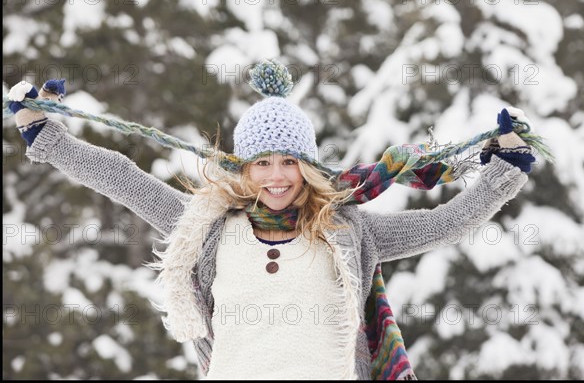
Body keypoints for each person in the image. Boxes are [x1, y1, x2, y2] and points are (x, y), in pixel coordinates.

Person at [7, 60, 535, 380]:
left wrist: (505, 168)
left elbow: (445, 222)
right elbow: (126, 180)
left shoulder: (346, 233)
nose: (277, 176)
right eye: (263, 162)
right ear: (245, 167)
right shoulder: (208, 228)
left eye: (289, 162)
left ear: (307, 166)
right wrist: (46, 136)